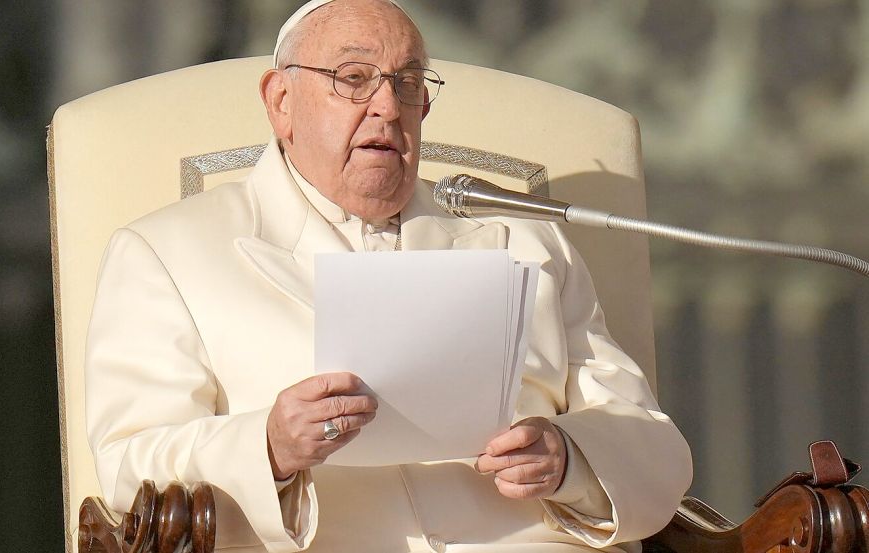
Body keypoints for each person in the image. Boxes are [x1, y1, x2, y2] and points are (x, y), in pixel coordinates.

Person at [84, 0, 693, 551]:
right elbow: (127, 467)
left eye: (407, 84)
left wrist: (568, 459)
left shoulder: (526, 241)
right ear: (281, 102)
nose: (386, 106)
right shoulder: (166, 252)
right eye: (353, 79)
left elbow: (653, 448)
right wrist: (268, 447)